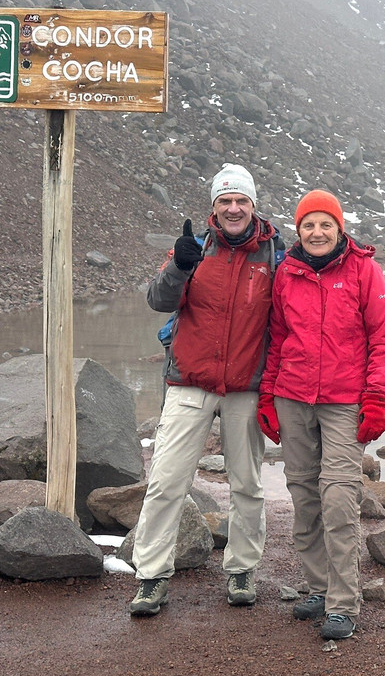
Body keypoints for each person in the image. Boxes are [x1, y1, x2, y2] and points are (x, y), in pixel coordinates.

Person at [129, 163, 283, 617]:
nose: (233, 208)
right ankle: (151, 576)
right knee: (165, 484)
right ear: (213, 207)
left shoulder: (275, 255)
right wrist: (178, 267)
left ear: (253, 206)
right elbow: (158, 300)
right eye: (225, 201)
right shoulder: (193, 249)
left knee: (248, 486)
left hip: (245, 388)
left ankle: (241, 569)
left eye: (241, 201)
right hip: (189, 383)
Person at [257, 189, 385, 640]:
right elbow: (277, 340)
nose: (317, 232)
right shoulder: (287, 274)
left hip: (343, 401)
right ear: (298, 230)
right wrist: (267, 396)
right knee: (304, 495)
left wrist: (375, 400)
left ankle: (343, 603)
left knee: (338, 497)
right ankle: (318, 587)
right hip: (293, 397)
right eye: (309, 225)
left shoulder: (364, 271)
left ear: (340, 228)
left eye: (325, 224)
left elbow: (384, 337)